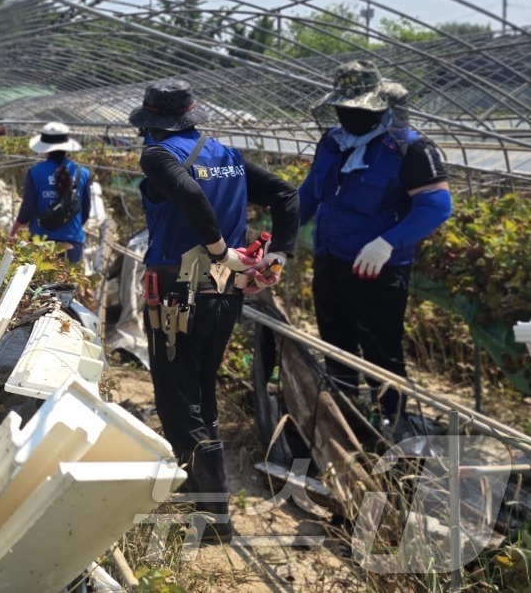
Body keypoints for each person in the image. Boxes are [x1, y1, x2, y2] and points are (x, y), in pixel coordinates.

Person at [131, 78, 298, 543]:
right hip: (226, 293)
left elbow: (189, 194)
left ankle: (210, 517)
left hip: (177, 292)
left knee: (176, 398)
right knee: (202, 392)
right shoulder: (226, 156)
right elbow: (286, 193)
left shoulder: (157, 155)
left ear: (152, 122)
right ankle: (210, 504)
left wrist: (221, 250)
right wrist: (276, 255)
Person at [300, 60, 451, 432]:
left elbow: (436, 205)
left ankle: (391, 426)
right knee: (336, 345)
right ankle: (344, 419)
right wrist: (280, 237)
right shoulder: (332, 142)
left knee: (382, 354)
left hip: (378, 270)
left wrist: (388, 242)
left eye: (358, 109)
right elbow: (308, 193)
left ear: (380, 106)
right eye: (343, 107)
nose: (349, 115)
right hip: (330, 260)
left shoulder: (410, 149)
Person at [9, 121, 92, 263]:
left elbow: (27, 210)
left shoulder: (35, 172)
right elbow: (85, 211)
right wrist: (67, 224)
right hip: (72, 241)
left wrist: (14, 231)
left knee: (42, 283)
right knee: (68, 283)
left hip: (41, 239)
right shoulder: (82, 173)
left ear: (45, 147)